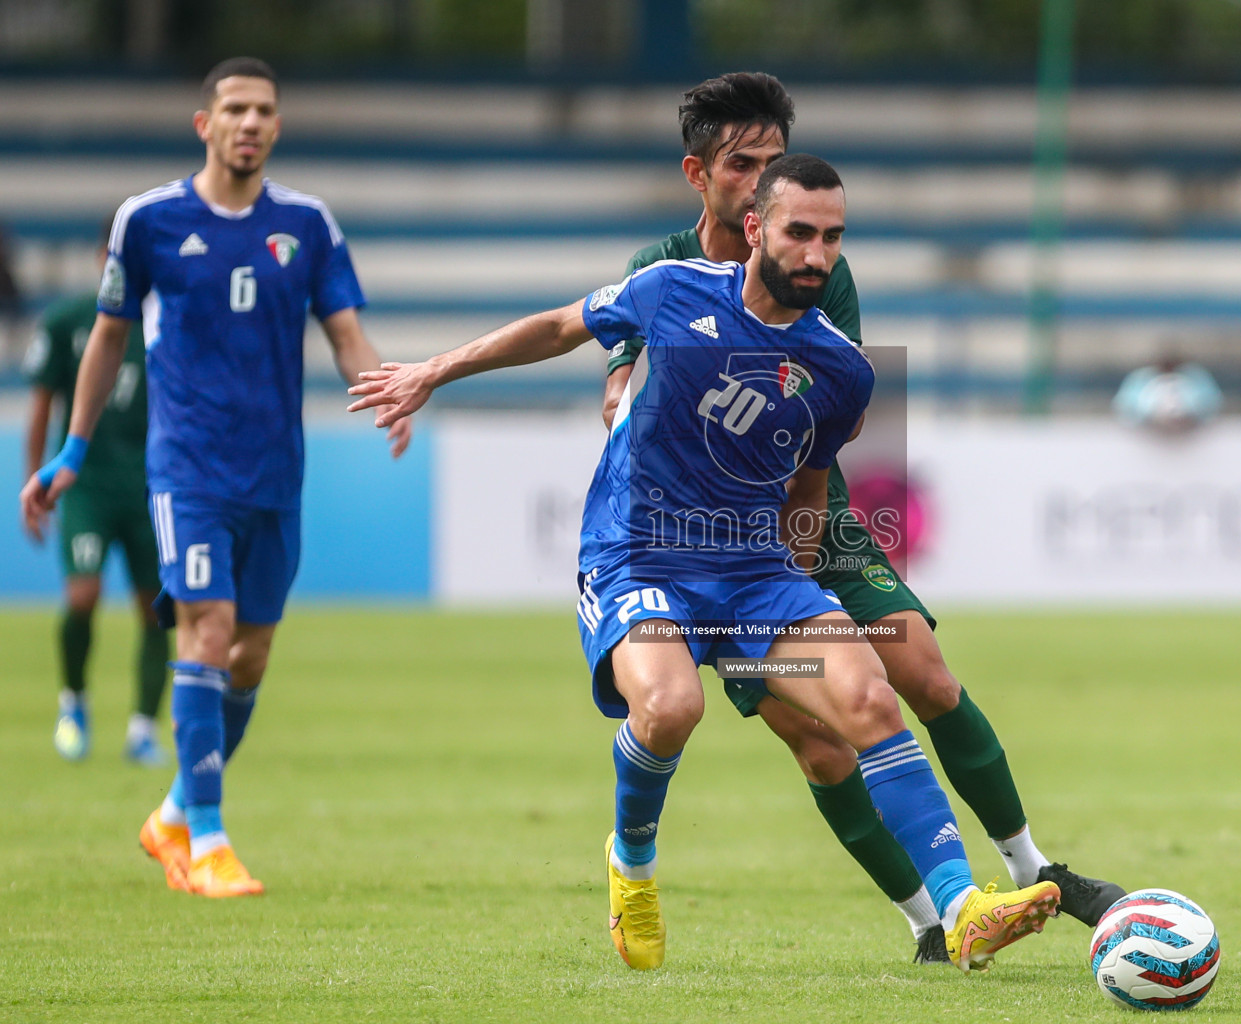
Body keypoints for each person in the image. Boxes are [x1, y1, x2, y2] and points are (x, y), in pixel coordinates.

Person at [349, 154, 1063, 972]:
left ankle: (962, 908)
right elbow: (558, 328)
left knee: (869, 693)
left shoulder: (842, 370)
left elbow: (808, 488)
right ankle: (633, 862)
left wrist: (793, 607)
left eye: (832, 237)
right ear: (755, 228)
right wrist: (434, 371)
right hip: (639, 555)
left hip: (756, 578)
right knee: (670, 709)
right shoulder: (671, 290)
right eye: (800, 232)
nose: (817, 255)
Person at [601, 72, 1125, 961]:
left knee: (925, 676)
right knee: (820, 745)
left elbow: (828, 409)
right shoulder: (657, 271)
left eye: (774, 161)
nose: (762, 178)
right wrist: (622, 404)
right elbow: (618, 370)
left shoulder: (814, 266)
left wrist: (801, 567)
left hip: (813, 523)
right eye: (743, 164)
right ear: (702, 174)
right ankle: (932, 924)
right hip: (705, 549)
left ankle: (1037, 869)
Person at [20, 57, 411, 899]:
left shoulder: (307, 224)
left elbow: (344, 332)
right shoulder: (148, 220)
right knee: (204, 628)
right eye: (233, 108)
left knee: (251, 654)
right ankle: (208, 840)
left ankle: (170, 814)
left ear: (277, 125)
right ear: (206, 124)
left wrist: (386, 390)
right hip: (187, 468)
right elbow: (106, 340)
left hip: (274, 473)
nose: (249, 122)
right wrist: (72, 452)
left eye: (264, 109)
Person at [21, 222, 169, 765]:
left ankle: (143, 729)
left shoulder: (168, 325)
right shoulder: (70, 322)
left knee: (156, 610)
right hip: (87, 486)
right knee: (82, 597)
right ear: (103, 258)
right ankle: (74, 702)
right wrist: (36, 477)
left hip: (153, 488)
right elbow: (40, 406)